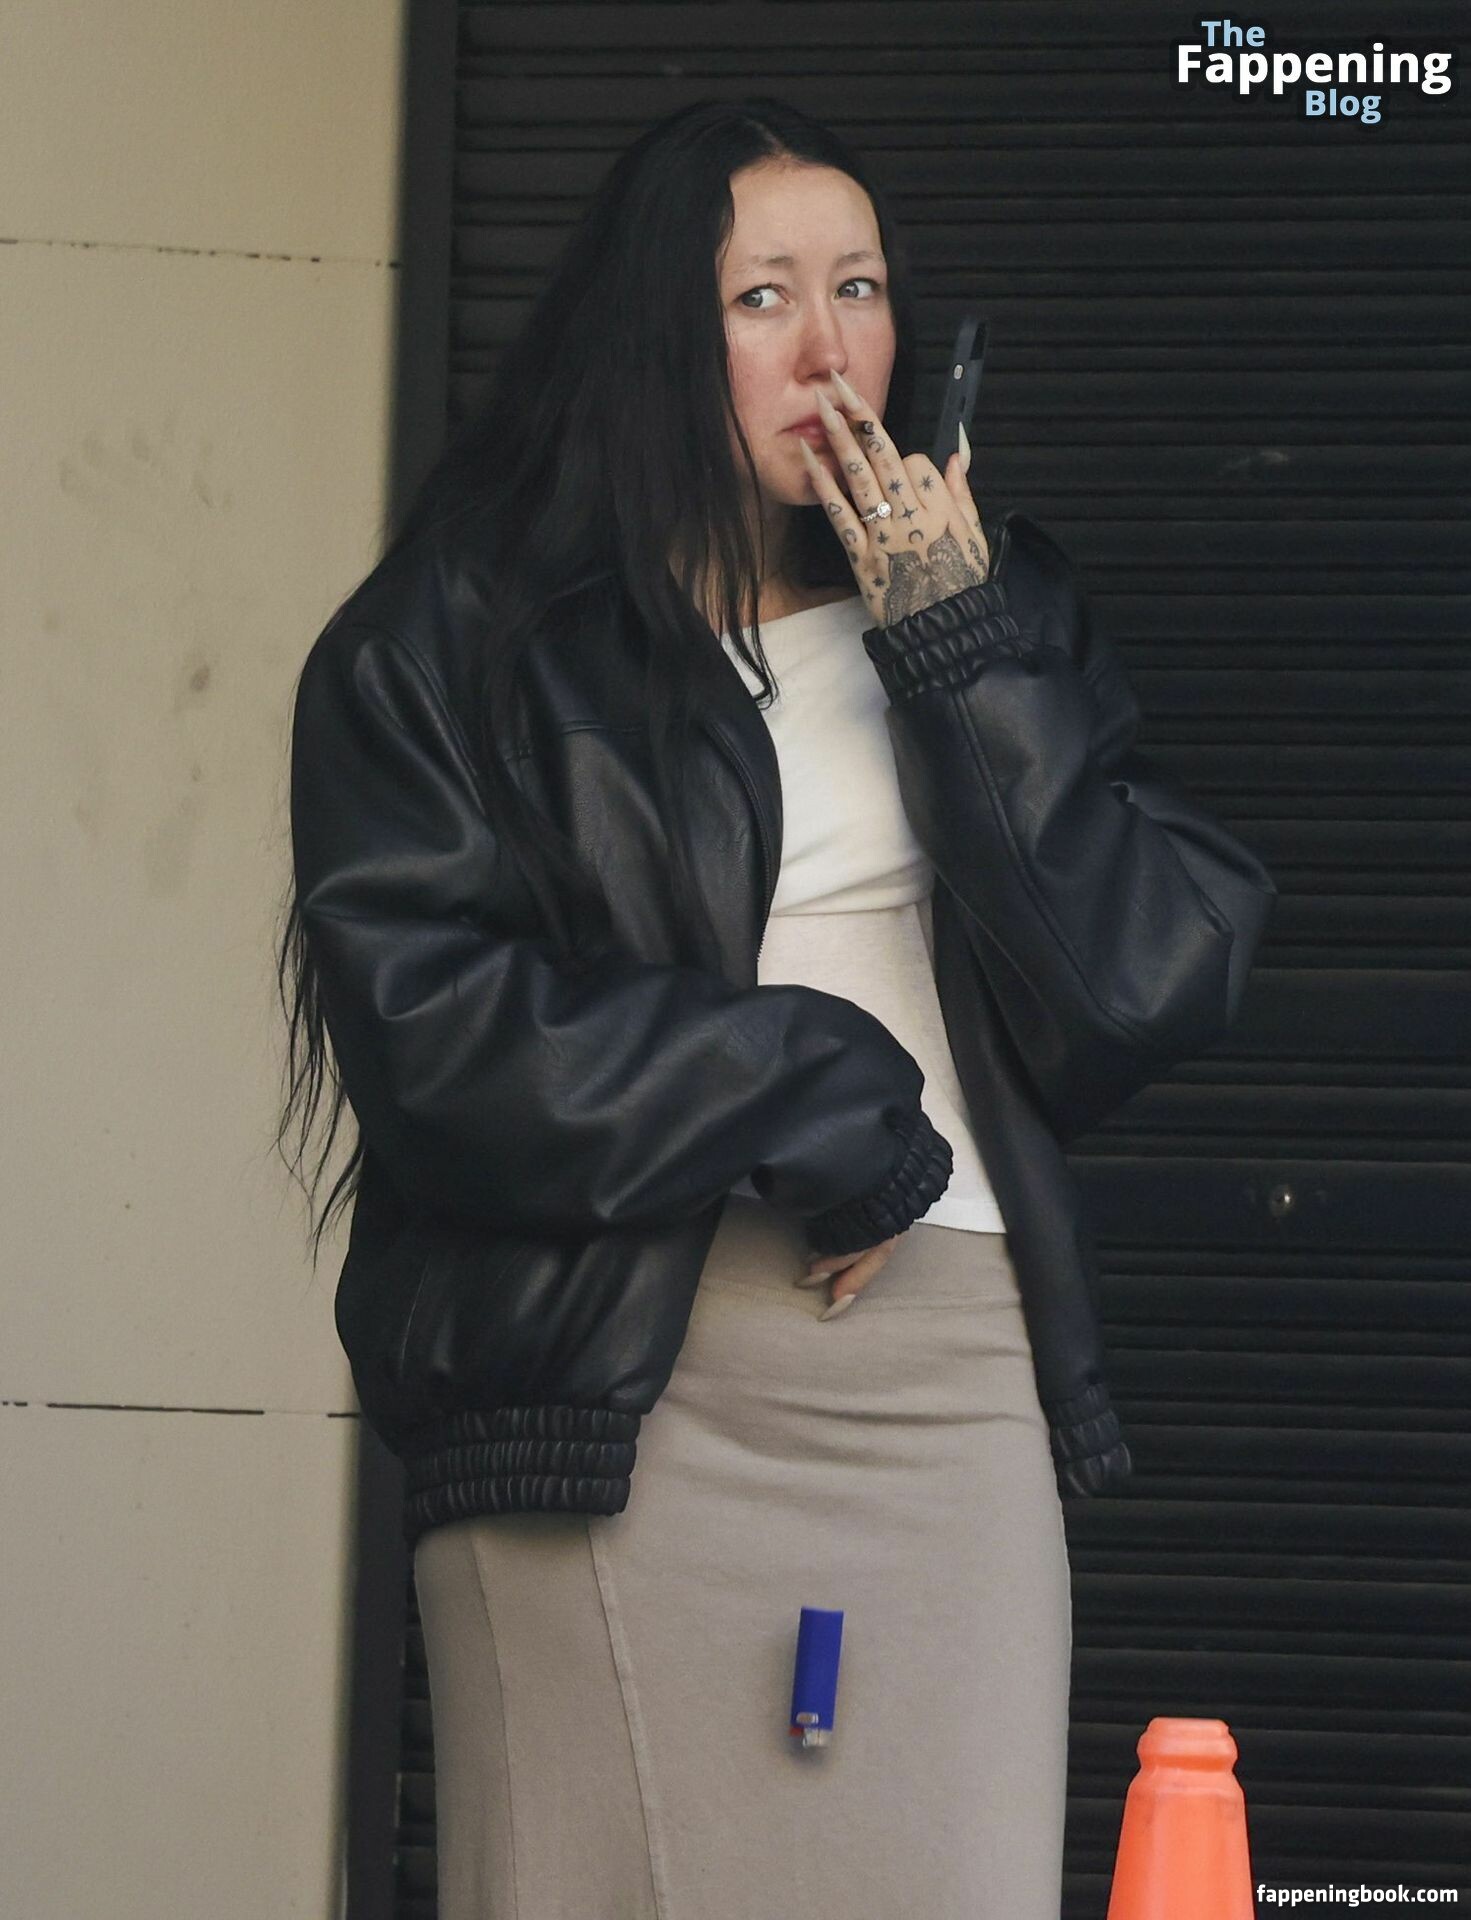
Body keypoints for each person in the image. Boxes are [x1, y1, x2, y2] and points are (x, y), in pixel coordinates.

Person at [278, 96, 1276, 1920]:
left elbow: (1143, 986)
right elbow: (438, 1039)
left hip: (958, 1377)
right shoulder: (466, 640)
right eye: (763, 298)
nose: (829, 349)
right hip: (632, 1381)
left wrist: (956, 652)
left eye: (861, 288)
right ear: (654, 336)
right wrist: (809, 1084)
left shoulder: (990, 612)